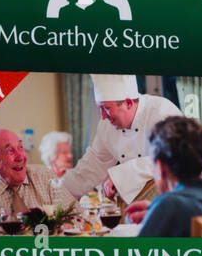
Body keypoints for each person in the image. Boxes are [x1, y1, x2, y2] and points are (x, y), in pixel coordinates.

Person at [61, 75, 182, 204]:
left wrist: (120, 175)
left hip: (180, 197)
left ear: (128, 103)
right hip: (143, 203)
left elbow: (174, 159)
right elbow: (90, 168)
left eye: (106, 108)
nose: (102, 117)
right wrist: (57, 189)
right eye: (100, 108)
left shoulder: (162, 112)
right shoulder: (106, 126)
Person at [127, 116, 202, 238]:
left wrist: (160, 211)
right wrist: (155, 212)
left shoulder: (169, 205)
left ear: (161, 167)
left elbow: (137, 254)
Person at [0, 128, 69, 217]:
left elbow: (77, 215)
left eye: (21, 147)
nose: (20, 157)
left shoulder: (45, 176)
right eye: (10, 151)